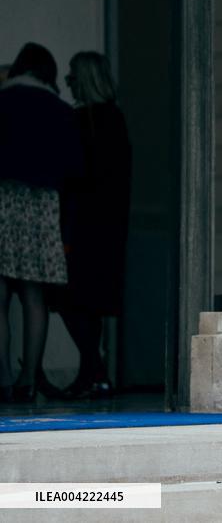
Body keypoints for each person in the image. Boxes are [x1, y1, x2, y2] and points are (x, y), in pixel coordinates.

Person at [0, 43, 83, 404]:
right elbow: (74, 170)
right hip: (42, 205)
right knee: (35, 297)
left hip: (3, 199)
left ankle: (3, 378)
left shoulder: (2, 102)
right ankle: (28, 380)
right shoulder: (61, 111)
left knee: (0, 297)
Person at [50, 51, 132, 399]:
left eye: (72, 73)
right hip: (108, 225)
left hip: (81, 225)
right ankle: (93, 375)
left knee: (70, 299)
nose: (67, 80)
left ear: (84, 78)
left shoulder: (84, 121)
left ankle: (93, 372)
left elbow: (72, 177)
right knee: (88, 303)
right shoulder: (114, 119)